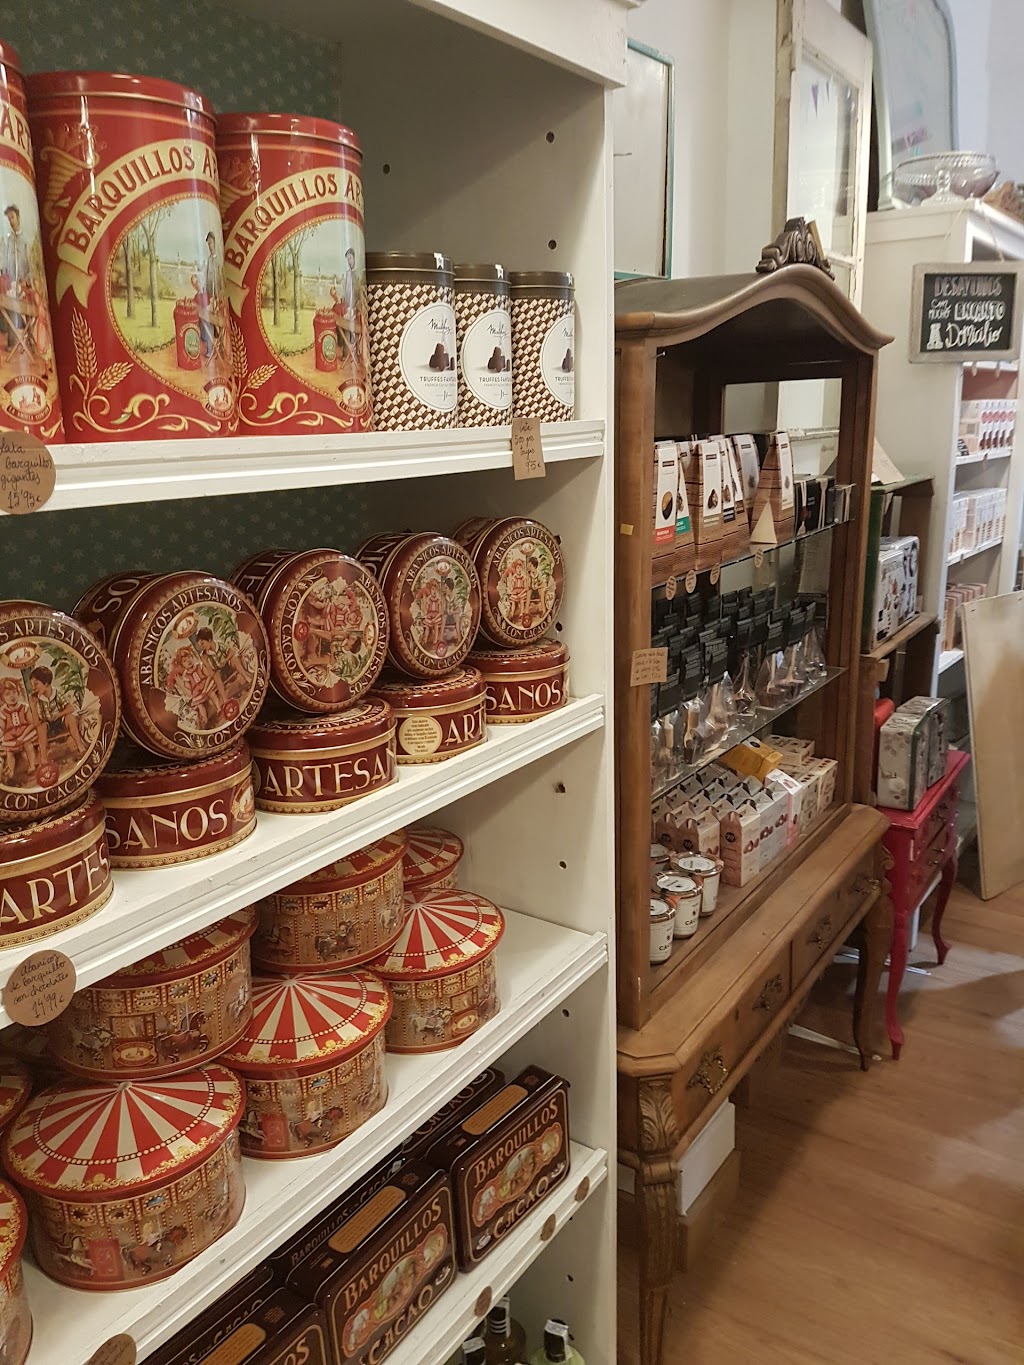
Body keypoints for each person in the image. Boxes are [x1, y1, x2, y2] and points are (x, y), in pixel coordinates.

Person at [0, 204, 31, 355]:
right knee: (9, 304)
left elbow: (30, 265)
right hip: (11, 285)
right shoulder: (7, 241)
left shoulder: (25, 241)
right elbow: (4, 264)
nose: (11, 221)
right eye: (9, 219)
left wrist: (25, 280)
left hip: (24, 285)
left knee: (27, 308)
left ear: (18, 217)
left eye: (12, 217)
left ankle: (30, 341)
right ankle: (12, 341)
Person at [193, 230, 225, 361]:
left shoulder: (219, 260)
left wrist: (220, 295)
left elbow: (221, 279)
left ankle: (220, 349)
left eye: (211, 243)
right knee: (208, 320)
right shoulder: (209, 260)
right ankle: (211, 348)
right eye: (208, 244)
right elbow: (206, 279)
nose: (210, 246)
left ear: (215, 243)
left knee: (219, 322)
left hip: (219, 297)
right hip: (211, 296)